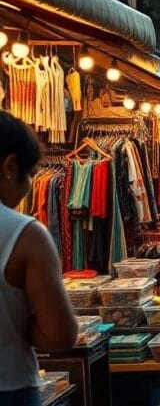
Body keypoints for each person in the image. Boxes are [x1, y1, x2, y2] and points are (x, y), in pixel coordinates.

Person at [0, 111, 78, 406]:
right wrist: (23, 325)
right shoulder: (25, 234)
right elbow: (60, 335)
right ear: (10, 166)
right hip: (10, 390)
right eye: (32, 174)